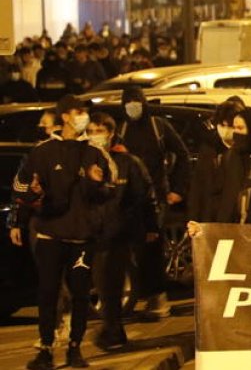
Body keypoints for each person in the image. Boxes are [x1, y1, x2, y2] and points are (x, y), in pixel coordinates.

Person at [11, 95, 113, 370]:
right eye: (79, 112)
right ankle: (45, 348)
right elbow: (23, 189)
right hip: (50, 236)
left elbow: (107, 193)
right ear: (65, 116)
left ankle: (75, 348)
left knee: (81, 294)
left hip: (81, 237)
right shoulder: (42, 152)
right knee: (47, 293)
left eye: (85, 113)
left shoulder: (96, 153)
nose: (84, 117)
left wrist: (96, 184)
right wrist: (19, 221)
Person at [117, 86, 190, 319]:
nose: (132, 107)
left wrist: (178, 189)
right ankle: (135, 294)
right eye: (128, 103)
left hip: (156, 197)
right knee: (130, 249)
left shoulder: (159, 127)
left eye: (136, 102)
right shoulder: (122, 128)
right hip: (127, 199)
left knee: (152, 247)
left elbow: (182, 155)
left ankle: (156, 298)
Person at [88, 113, 159, 351]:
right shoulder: (86, 160)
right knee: (102, 285)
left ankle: (112, 331)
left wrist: (150, 227)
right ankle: (113, 331)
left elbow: (144, 196)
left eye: (99, 131)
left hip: (118, 234)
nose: (94, 136)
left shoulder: (128, 162)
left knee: (111, 284)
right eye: (91, 131)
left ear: (110, 133)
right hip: (92, 233)